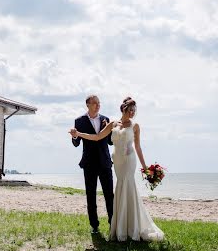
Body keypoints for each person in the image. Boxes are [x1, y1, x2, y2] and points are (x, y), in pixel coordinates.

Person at [70, 97, 164, 242]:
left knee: (123, 189)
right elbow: (96, 137)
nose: (132, 113)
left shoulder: (135, 125)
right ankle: (117, 226)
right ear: (123, 109)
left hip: (128, 161)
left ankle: (130, 226)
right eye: (130, 110)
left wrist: (145, 168)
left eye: (134, 110)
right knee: (118, 189)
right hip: (117, 162)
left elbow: (138, 147)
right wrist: (78, 134)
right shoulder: (112, 123)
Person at [71, 95, 114, 234]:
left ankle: (112, 223)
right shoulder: (79, 121)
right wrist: (74, 136)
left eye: (99, 103)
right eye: (94, 103)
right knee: (91, 195)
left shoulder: (106, 119)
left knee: (109, 195)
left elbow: (110, 142)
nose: (97, 105)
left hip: (105, 162)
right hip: (89, 163)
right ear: (88, 105)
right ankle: (94, 226)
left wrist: (113, 133)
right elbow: (76, 143)